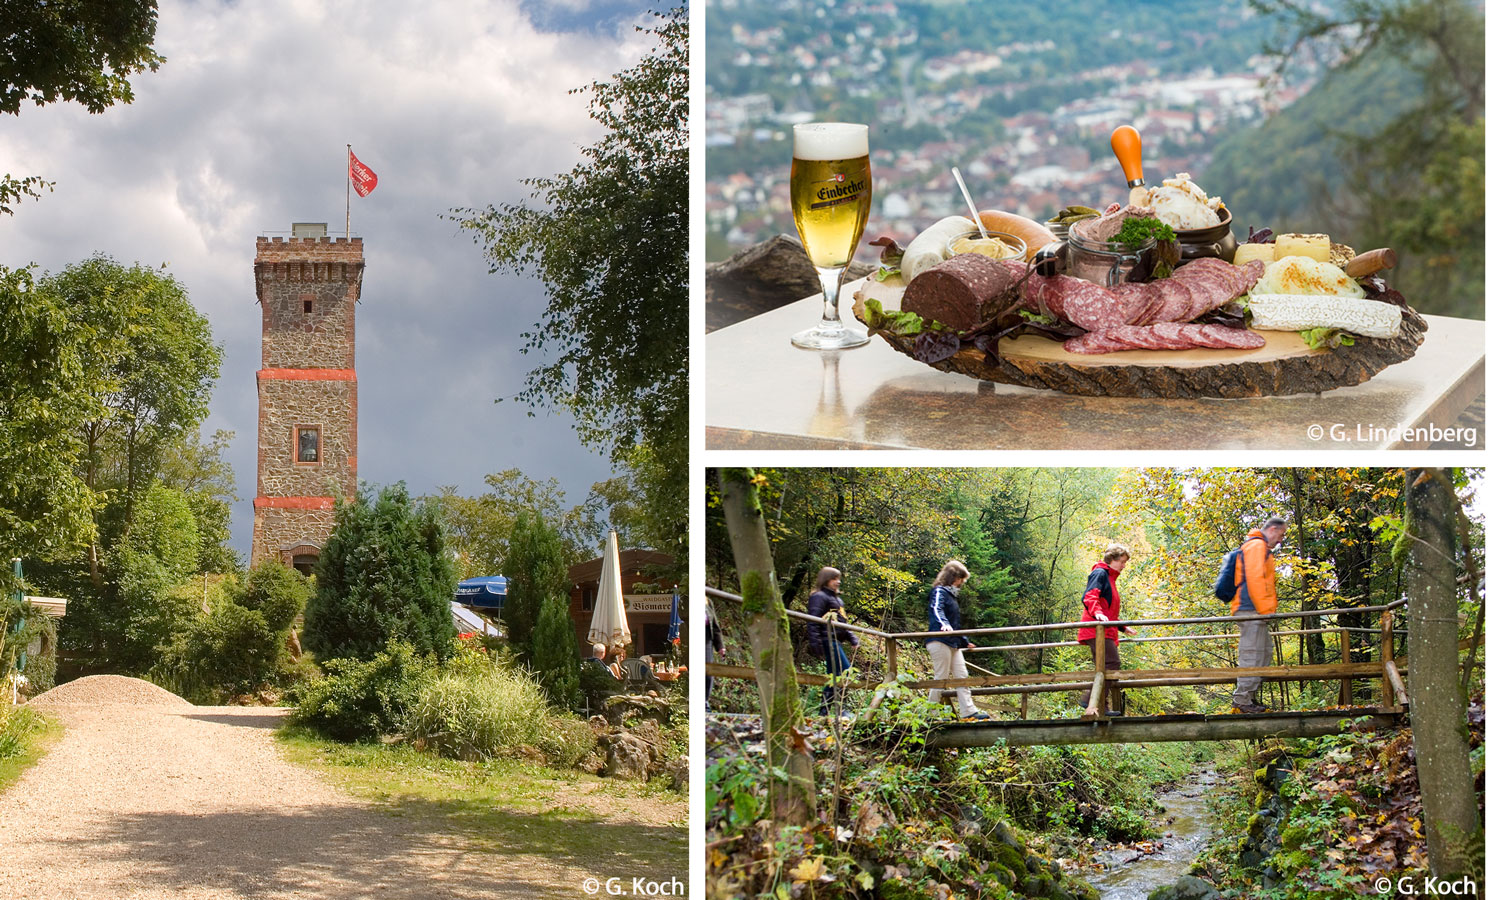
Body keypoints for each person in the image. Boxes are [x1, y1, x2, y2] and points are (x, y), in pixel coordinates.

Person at [1230, 516, 1287, 713]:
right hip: (1250, 609)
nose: (1281, 540)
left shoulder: (1261, 549)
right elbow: (1254, 580)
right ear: (1272, 529)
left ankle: (1247, 697)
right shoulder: (1255, 547)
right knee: (1252, 654)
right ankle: (1241, 700)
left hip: (1256, 610)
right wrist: (1265, 611)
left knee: (1264, 654)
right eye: (1281, 535)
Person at [1076, 544, 1137, 716]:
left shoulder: (1110, 578)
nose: (1124, 566)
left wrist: (1123, 628)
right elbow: (1090, 596)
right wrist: (1097, 613)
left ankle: (1100, 706)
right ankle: (1091, 700)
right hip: (1096, 629)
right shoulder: (1100, 573)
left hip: (1104, 630)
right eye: (1123, 562)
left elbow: (1109, 611)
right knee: (1112, 664)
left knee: (1103, 667)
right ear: (1113, 559)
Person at [925, 560, 990, 721]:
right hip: (939, 641)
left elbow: (955, 624)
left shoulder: (951, 596)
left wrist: (964, 641)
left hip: (953, 643)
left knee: (962, 676)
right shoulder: (939, 591)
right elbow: (936, 609)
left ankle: (968, 712)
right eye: (960, 579)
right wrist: (943, 624)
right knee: (941, 677)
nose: (961, 583)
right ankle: (930, 715)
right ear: (952, 577)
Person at [806, 566, 859, 716]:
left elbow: (843, 622)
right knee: (844, 671)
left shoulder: (836, 599)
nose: (838, 582)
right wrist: (815, 643)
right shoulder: (819, 597)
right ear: (826, 580)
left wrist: (852, 638)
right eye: (834, 579)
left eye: (838, 578)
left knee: (835, 674)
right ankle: (838, 709)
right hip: (827, 639)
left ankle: (825, 710)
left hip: (836, 640)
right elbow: (813, 621)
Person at [706, 602, 725, 710]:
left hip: (707, 637)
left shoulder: (707, 601)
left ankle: (704, 701)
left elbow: (715, 626)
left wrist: (720, 646)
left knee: (708, 673)